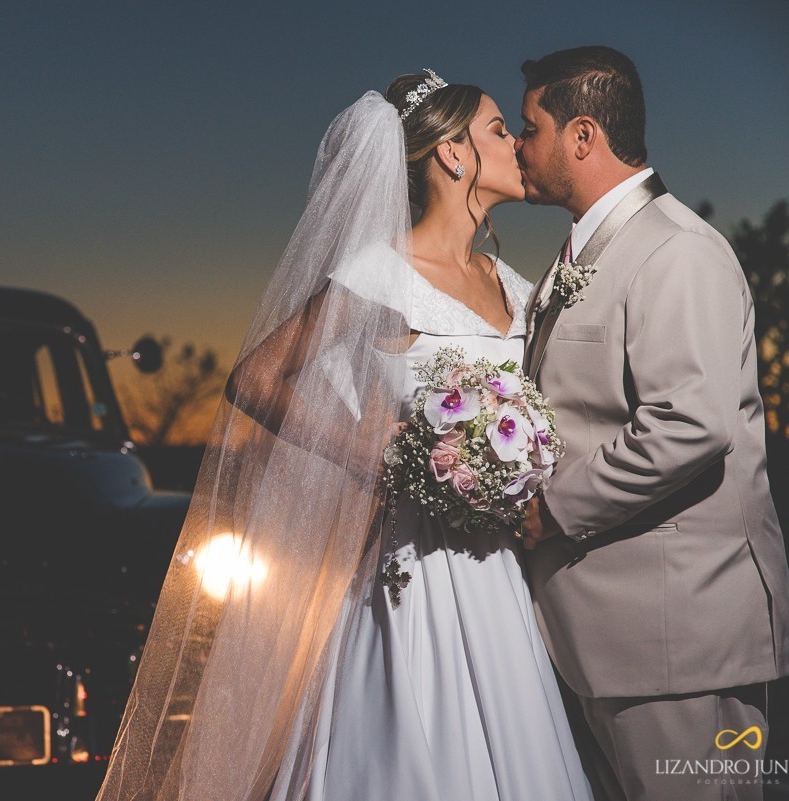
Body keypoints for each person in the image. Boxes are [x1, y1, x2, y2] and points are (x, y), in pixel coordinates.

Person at [96, 71, 594, 801]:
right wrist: (376, 452)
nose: (516, 145)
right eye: (496, 130)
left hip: (500, 581)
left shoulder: (516, 285)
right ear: (453, 156)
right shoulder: (380, 272)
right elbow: (257, 379)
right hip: (412, 575)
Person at [515, 45, 789, 801]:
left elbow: (691, 423)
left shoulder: (677, 252)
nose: (519, 145)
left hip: (680, 640)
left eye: (529, 127)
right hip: (613, 637)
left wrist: (551, 508)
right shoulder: (577, 257)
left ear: (582, 136)